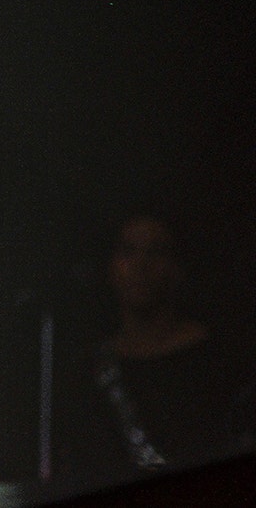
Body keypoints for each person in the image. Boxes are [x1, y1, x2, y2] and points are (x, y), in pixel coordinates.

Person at [51, 212, 256, 496]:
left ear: (178, 268)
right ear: (110, 267)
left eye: (156, 252)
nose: (140, 265)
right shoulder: (88, 370)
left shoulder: (222, 360)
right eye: (128, 251)